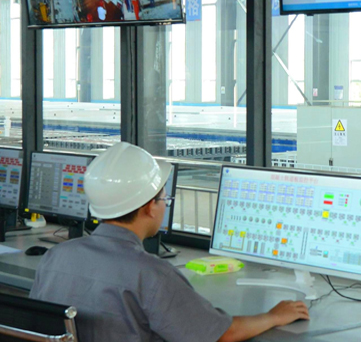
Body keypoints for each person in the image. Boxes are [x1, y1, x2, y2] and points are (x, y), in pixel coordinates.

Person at [30, 142, 310, 342]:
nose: (165, 205)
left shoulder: (57, 256)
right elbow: (220, 334)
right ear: (150, 208)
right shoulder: (152, 274)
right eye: (164, 199)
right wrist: (274, 316)